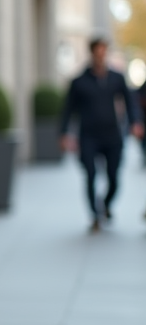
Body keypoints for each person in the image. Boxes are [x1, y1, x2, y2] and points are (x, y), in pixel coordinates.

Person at [59, 37, 144, 232]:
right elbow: (68, 110)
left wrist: (135, 123)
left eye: (104, 52)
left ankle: (105, 205)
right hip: (88, 136)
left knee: (114, 178)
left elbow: (130, 103)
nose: (101, 56)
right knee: (90, 175)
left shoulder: (116, 77)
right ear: (92, 54)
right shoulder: (79, 81)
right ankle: (94, 215)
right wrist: (64, 134)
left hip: (112, 135)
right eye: (98, 52)